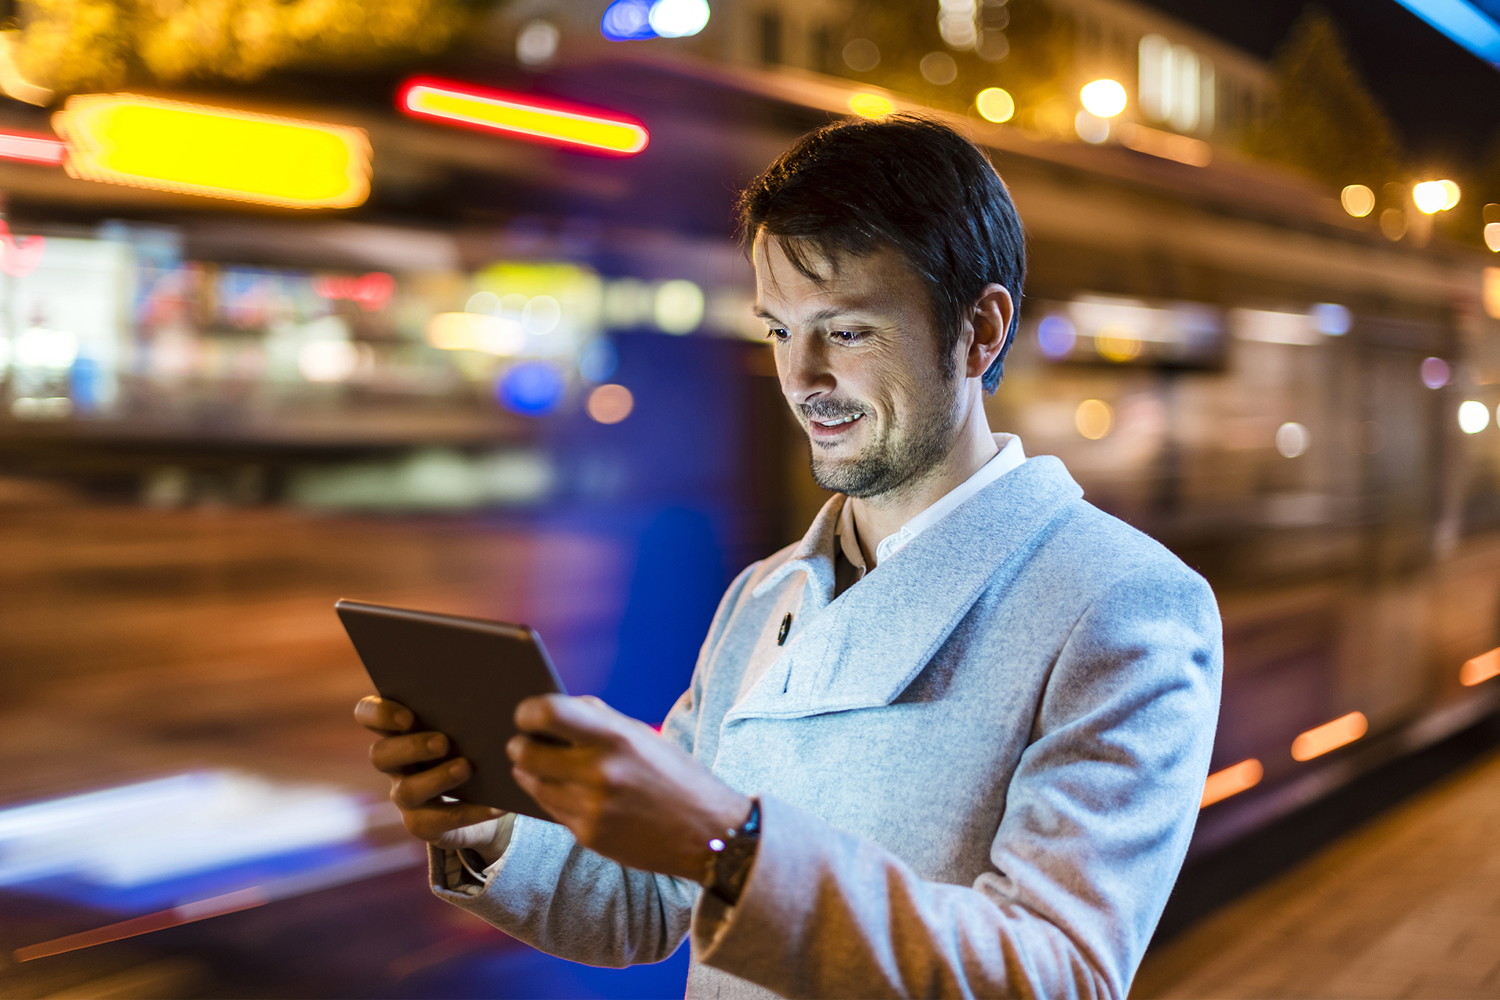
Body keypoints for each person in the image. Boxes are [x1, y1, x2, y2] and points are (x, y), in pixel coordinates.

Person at [356, 114, 1222, 999]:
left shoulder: (1122, 602)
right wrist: (495, 823)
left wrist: (726, 840)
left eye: (846, 331)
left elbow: (1054, 976)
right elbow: (652, 901)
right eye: (778, 330)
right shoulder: (763, 593)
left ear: (980, 330)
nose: (802, 377)